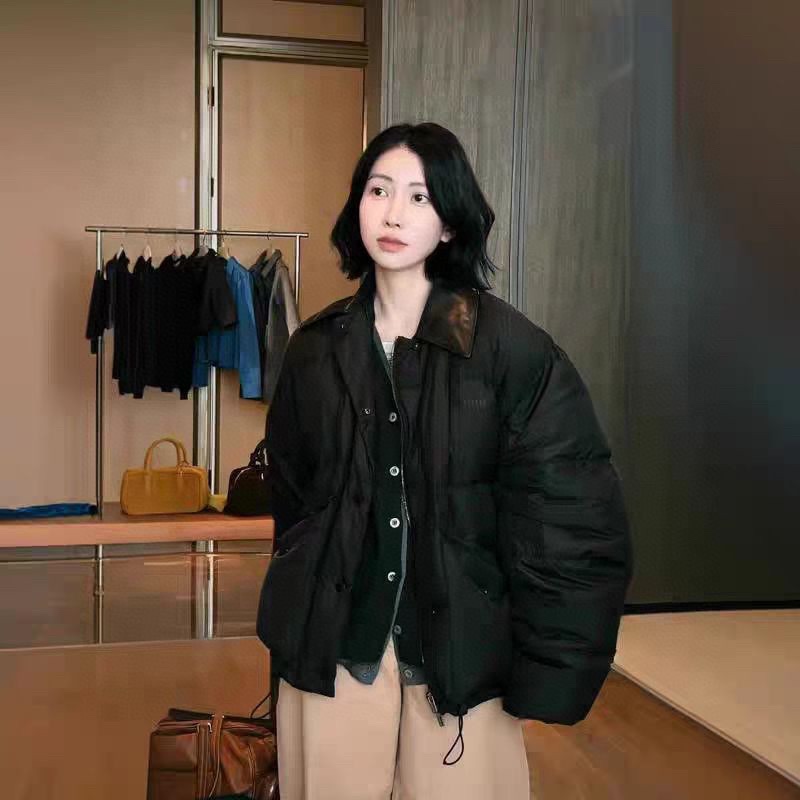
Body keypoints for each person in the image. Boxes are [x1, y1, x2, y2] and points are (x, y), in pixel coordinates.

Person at [256, 122, 633, 799]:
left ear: (451, 222)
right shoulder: (314, 350)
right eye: (378, 191)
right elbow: (295, 504)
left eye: (420, 197)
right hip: (334, 655)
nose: (394, 214)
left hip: (462, 661)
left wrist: (554, 668)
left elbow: (570, 517)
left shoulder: (512, 351)